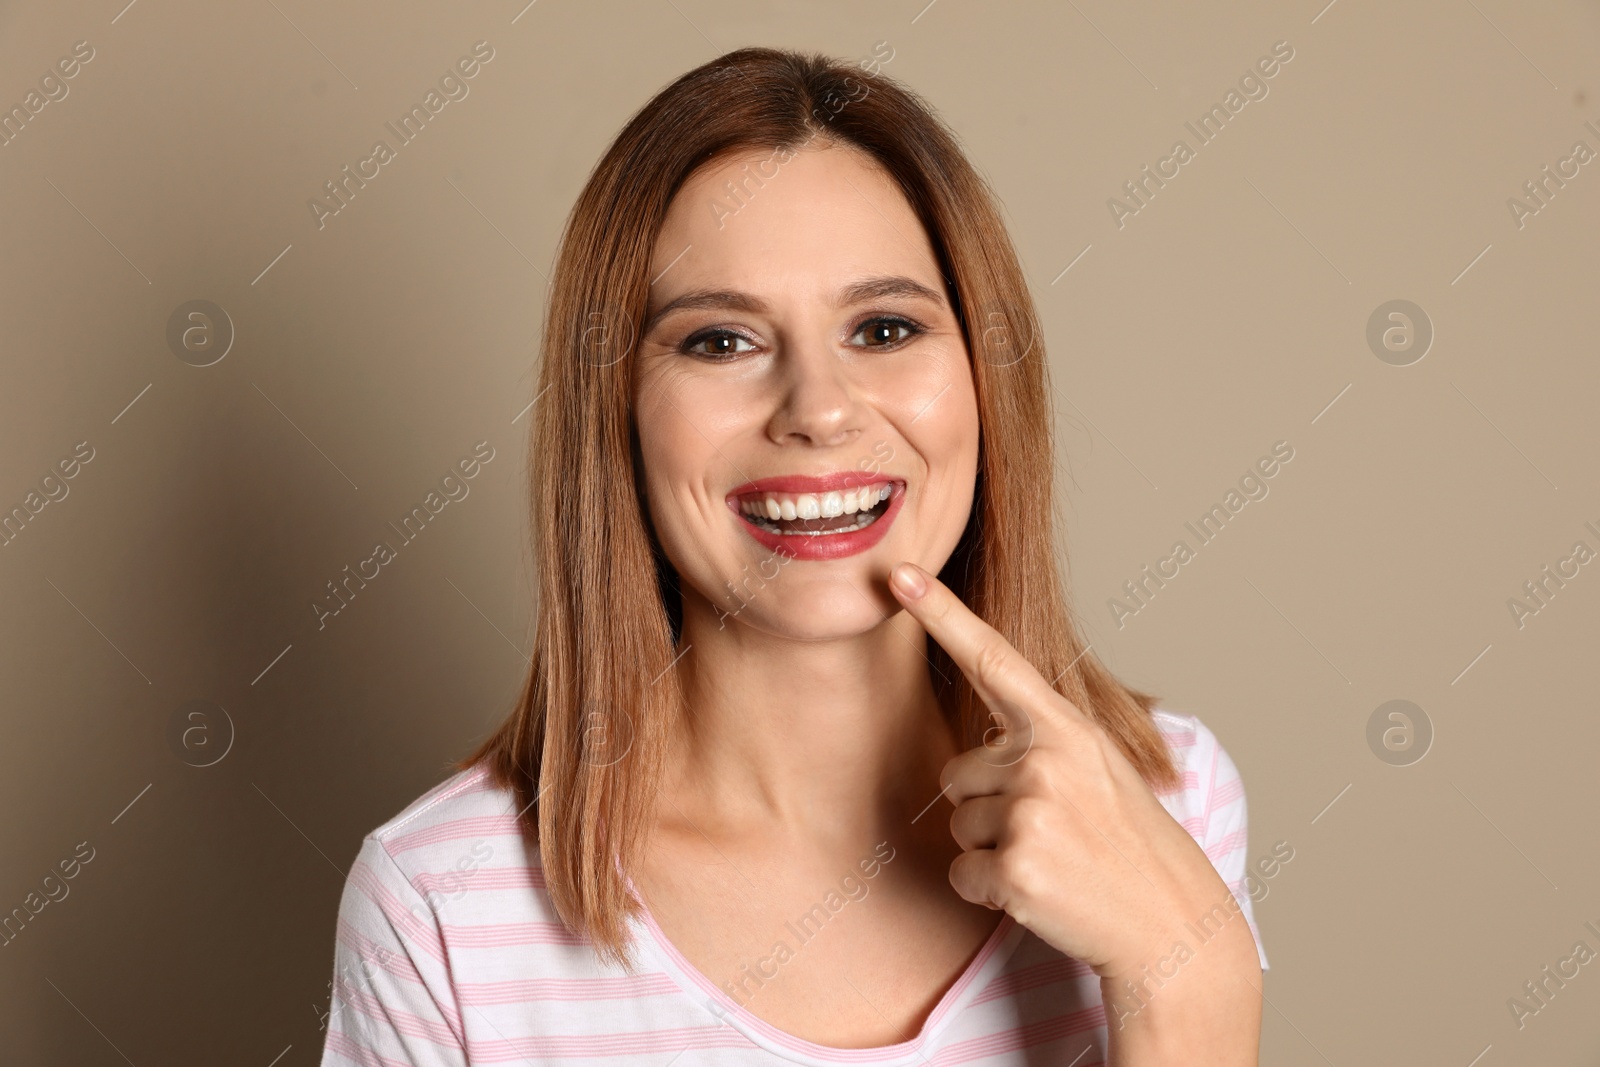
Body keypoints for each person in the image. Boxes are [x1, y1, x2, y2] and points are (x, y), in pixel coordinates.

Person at [318, 45, 1267, 1066]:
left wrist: (1189, 975)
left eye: (885, 326)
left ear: (987, 384)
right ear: (618, 415)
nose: (817, 410)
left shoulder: (1169, 800)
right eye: (720, 341)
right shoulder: (442, 905)